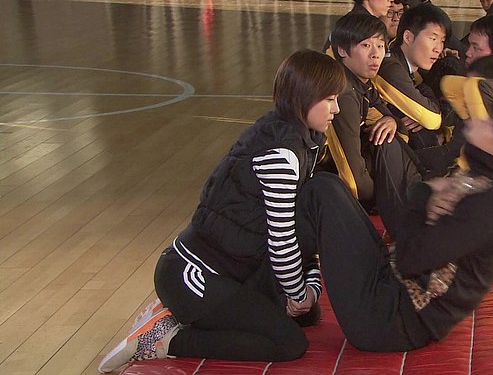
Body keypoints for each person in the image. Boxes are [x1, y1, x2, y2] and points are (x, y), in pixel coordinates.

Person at [98, 50, 347, 373]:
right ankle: (166, 338)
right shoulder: (283, 153)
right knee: (288, 343)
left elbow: (303, 228)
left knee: (307, 315)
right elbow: (282, 239)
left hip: (234, 270)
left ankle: (182, 315)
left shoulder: (300, 138)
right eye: (329, 99)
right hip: (192, 276)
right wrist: (299, 294)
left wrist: (309, 292)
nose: (336, 109)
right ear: (304, 97)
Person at [295, 94, 493, 352]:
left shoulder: (490, 206)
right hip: (390, 284)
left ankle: (292, 297)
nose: (480, 119)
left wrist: (423, 195)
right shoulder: (484, 178)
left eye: (491, 123)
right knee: (329, 186)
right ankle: (296, 296)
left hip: (387, 319)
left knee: (322, 192)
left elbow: (408, 259)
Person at [321, 12, 421, 211]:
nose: (375, 54)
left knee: (389, 137)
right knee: (387, 144)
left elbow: (395, 124)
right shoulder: (343, 92)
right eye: (366, 45)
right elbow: (353, 179)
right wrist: (381, 199)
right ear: (342, 50)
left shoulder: (362, 83)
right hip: (323, 182)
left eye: (380, 46)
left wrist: (392, 121)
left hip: (343, 177)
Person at [375, 3, 452, 149]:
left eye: (442, 41)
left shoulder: (412, 70)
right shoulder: (390, 67)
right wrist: (424, 116)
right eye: (433, 38)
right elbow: (432, 119)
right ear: (408, 37)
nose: (438, 49)